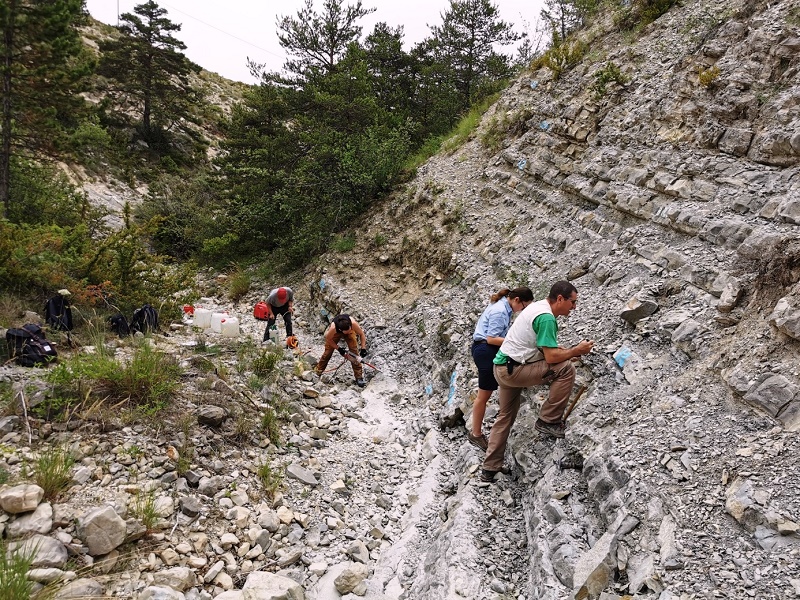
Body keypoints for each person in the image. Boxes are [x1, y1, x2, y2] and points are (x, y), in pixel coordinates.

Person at [481, 281, 594, 483]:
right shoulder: (547, 319)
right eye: (573, 302)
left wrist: (566, 353)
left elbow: (544, 347)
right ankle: (549, 420)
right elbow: (550, 358)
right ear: (560, 298)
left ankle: (490, 467)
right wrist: (575, 351)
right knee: (567, 369)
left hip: (502, 366)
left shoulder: (537, 307)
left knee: (505, 415)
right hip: (513, 371)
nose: (574, 307)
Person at [468, 287, 534, 452]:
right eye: (524, 307)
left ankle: (478, 431)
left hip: (484, 350)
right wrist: (516, 342)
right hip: (486, 351)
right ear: (517, 300)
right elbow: (491, 338)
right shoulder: (500, 311)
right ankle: (476, 433)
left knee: (485, 393)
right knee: (484, 395)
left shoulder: (503, 306)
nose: (522, 311)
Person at [314, 314, 368, 387]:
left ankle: (359, 377)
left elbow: (361, 334)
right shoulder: (333, 328)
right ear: (341, 330)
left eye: (349, 329)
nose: (348, 332)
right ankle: (318, 371)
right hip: (336, 334)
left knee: (354, 352)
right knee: (327, 353)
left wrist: (363, 348)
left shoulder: (353, 324)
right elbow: (328, 339)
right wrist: (338, 348)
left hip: (347, 330)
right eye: (347, 331)